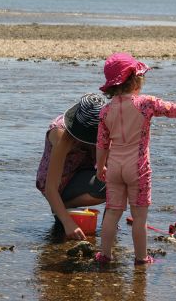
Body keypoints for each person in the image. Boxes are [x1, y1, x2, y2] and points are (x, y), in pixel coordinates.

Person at [94, 52, 176, 264]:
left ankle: (104, 255)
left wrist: (100, 168)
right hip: (137, 168)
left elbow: (102, 144)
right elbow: (174, 110)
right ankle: (141, 259)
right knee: (139, 219)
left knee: (112, 214)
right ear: (134, 79)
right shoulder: (144, 103)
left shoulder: (105, 111)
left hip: (114, 167)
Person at [36, 93, 107, 240]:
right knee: (103, 188)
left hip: (82, 172)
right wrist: (69, 224)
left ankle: (62, 210)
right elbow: (51, 188)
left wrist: (110, 221)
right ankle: (61, 209)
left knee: (116, 181)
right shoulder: (60, 134)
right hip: (59, 181)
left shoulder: (104, 127)